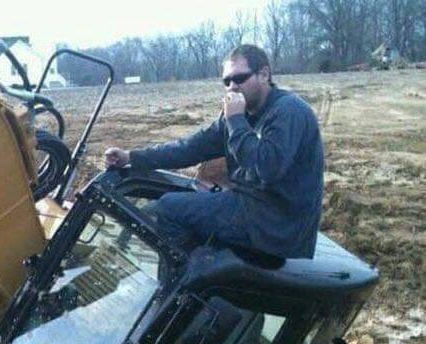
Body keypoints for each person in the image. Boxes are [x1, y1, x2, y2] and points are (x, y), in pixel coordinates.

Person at [105, 45, 324, 260]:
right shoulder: (242, 113)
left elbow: (265, 169)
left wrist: (236, 120)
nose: (232, 88)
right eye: (226, 81)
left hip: (277, 223)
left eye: (239, 79)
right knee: (160, 205)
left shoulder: (288, 111)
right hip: (252, 206)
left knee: (167, 208)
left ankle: (183, 285)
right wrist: (131, 157)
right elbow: (191, 148)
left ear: (264, 74)